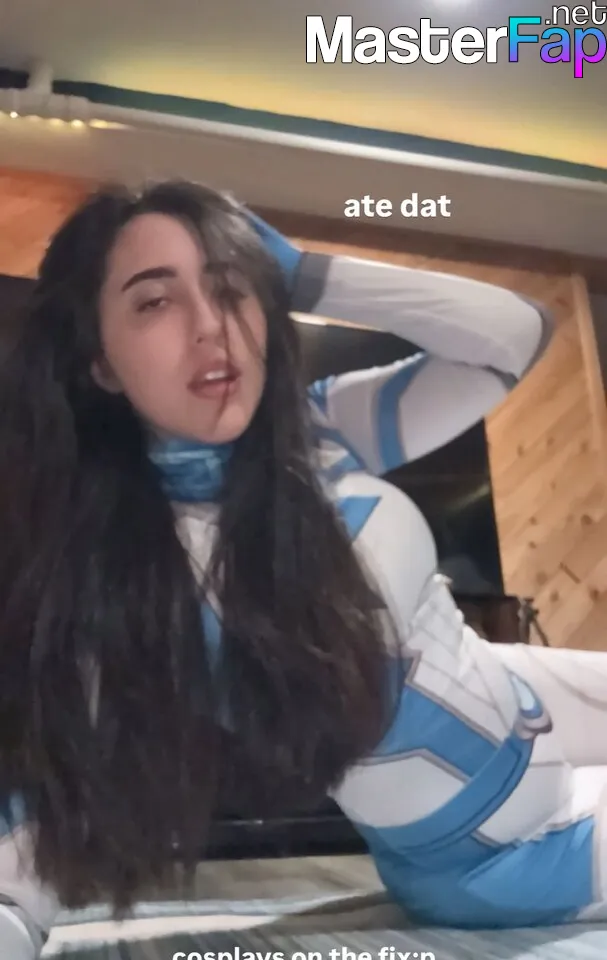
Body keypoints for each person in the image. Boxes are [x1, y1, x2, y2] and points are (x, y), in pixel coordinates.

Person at [0, 179, 606, 959]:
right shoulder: (129, 579)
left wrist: (307, 274)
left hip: (538, 721)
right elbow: (40, 816)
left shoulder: (314, 433)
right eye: (154, 302)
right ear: (101, 365)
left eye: (229, 287)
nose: (211, 325)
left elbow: (513, 334)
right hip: (508, 856)